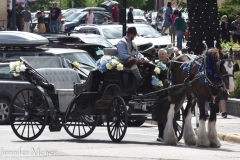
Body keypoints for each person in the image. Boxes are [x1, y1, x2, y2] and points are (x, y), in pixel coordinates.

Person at [154, 49, 170, 142]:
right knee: (160, 111)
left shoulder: (172, 64)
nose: (161, 56)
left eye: (163, 54)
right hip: (161, 90)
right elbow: (155, 77)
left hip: (171, 88)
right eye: (160, 55)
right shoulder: (157, 65)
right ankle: (161, 134)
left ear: (167, 55)